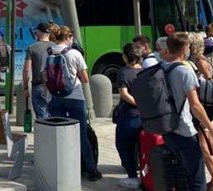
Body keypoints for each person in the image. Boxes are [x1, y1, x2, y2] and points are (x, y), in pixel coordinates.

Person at [160, 32, 213, 191]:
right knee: (197, 179)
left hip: (167, 129)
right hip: (184, 130)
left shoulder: (161, 67)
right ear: (184, 48)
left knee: (183, 173)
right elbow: (195, 105)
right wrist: (212, 129)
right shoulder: (184, 71)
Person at [44, 26, 102, 182]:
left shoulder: (48, 53)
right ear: (68, 37)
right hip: (75, 98)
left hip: (54, 99)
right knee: (81, 134)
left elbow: (45, 78)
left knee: (59, 135)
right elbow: (85, 79)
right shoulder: (74, 53)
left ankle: (61, 168)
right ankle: (91, 170)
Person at [188, 33, 213, 191]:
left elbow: (207, 78)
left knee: (204, 146)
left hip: (204, 108)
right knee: (210, 144)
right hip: (209, 107)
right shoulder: (204, 59)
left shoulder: (199, 61)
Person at [114, 43, 143, 190]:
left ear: (125, 57)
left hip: (129, 115)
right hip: (144, 116)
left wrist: (137, 104)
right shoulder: (145, 71)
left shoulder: (123, 72)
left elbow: (124, 94)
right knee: (140, 146)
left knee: (123, 145)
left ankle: (132, 176)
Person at [23, 23, 55, 119]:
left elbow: (26, 69)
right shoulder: (55, 47)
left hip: (39, 85)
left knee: (42, 118)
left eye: (36, 31)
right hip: (54, 86)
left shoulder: (32, 48)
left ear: (39, 32)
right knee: (54, 117)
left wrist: (25, 87)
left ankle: (44, 133)